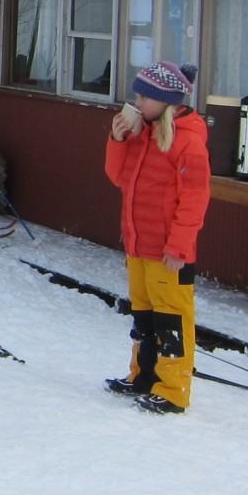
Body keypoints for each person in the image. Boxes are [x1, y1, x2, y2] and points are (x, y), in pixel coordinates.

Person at [103, 61, 211, 414]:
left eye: (143, 97)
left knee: (172, 320)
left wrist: (179, 246)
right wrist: (117, 139)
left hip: (169, 251)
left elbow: (194, 199)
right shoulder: (143, 134)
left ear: (165, 101)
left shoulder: (189, 141)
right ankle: (143, 375)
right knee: (144, 316)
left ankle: (174, 389)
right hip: (139, 244)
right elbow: (118, 177)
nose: (136, 102)